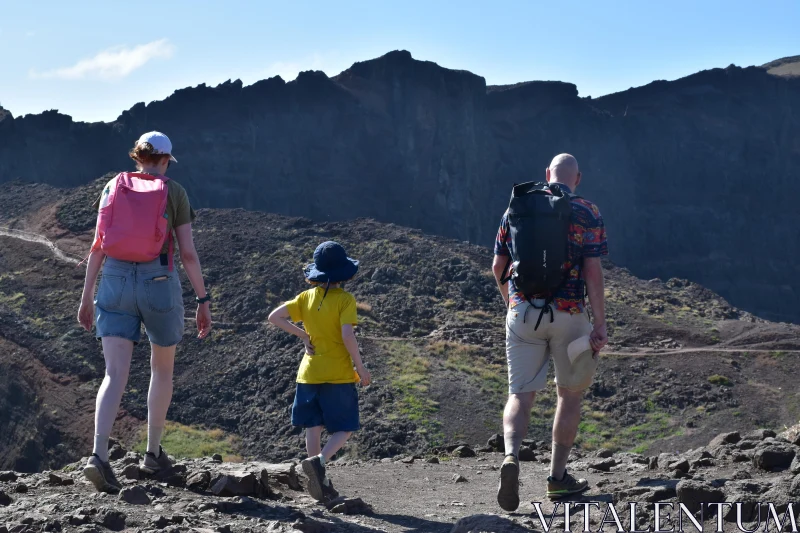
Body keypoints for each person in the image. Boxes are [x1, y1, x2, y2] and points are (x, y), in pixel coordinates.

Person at [77, 131, 212, 493]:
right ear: (166, 160)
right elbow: (187, 254)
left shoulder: (112, 187)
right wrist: (203, 300)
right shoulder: (175, 192)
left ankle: (98, 457)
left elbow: (97, 245)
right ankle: (152, 455)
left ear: (137, 157)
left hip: (114, 280)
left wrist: (86, 295)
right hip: (159, 281)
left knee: (114, 374)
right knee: (161, 368)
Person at [492, 154, 609, 510]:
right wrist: (600, 322)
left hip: (524, 313)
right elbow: (592, 270)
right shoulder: (587, 211)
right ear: (578, 178)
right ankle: (557, 479)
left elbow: (498, 265)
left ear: (546, 175)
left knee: (520, 395)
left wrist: (512, 304)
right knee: (568, 396)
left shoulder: (518, 207)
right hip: (571, 316)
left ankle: (511, 456)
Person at [268, 241, 371, 502]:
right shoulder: (345, 300)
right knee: (346, 427)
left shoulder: (305, 297)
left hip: (308, 373)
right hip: (337, 374)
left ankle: (318, 481)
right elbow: (347, 334)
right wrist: (361, 367)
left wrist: (304, 335)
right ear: (344, 274)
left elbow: (275, 317)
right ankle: (320, 463)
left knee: (312, 426)